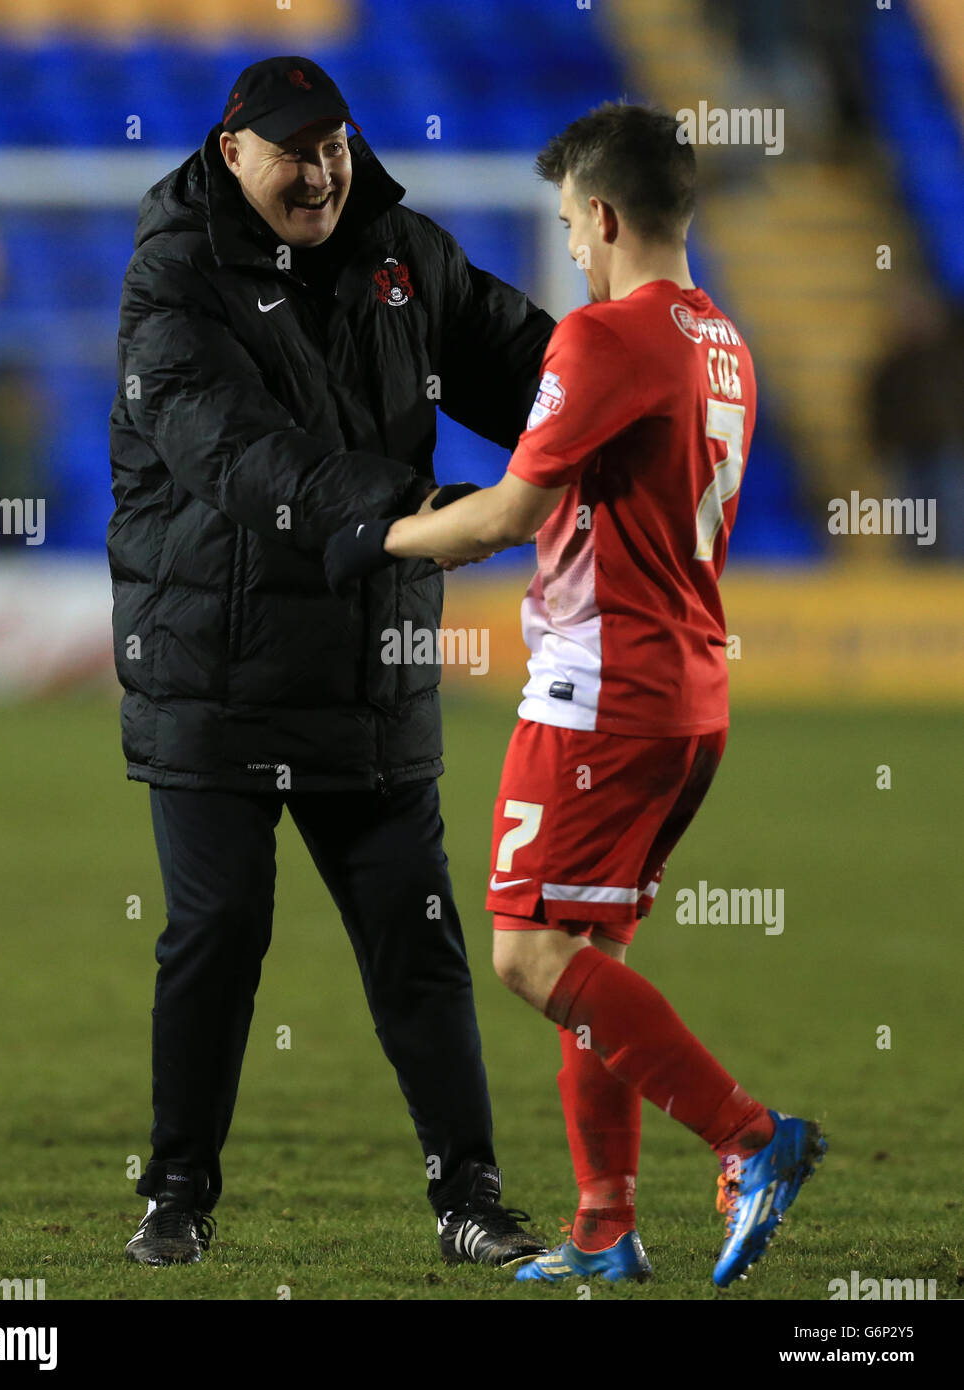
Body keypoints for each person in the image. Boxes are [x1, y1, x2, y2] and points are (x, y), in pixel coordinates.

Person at [326, 101, 826, 1290]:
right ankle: (604, 1227)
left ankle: (751, 1136)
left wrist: (373, 534)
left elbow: (510, 514)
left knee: (527, 954)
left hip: (600, 691)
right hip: (684, 693)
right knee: (585, 950)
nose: (569, 244)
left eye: (567, 223)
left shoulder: (606, 339)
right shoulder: (722, 342)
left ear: (599, 216)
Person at [107, 54, 555, 1268]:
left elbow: (532, 370)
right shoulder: (171, 282)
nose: (322, 171)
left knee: (418, 942)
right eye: (296, 150)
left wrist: (633, 412)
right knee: (216, 932)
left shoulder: (403, 252)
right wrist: (415, 514)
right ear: (232, 151)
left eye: (338, 145)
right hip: (211, 669)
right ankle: (177, 1193)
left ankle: (470, 1201)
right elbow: (241, 459)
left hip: (369, 668)